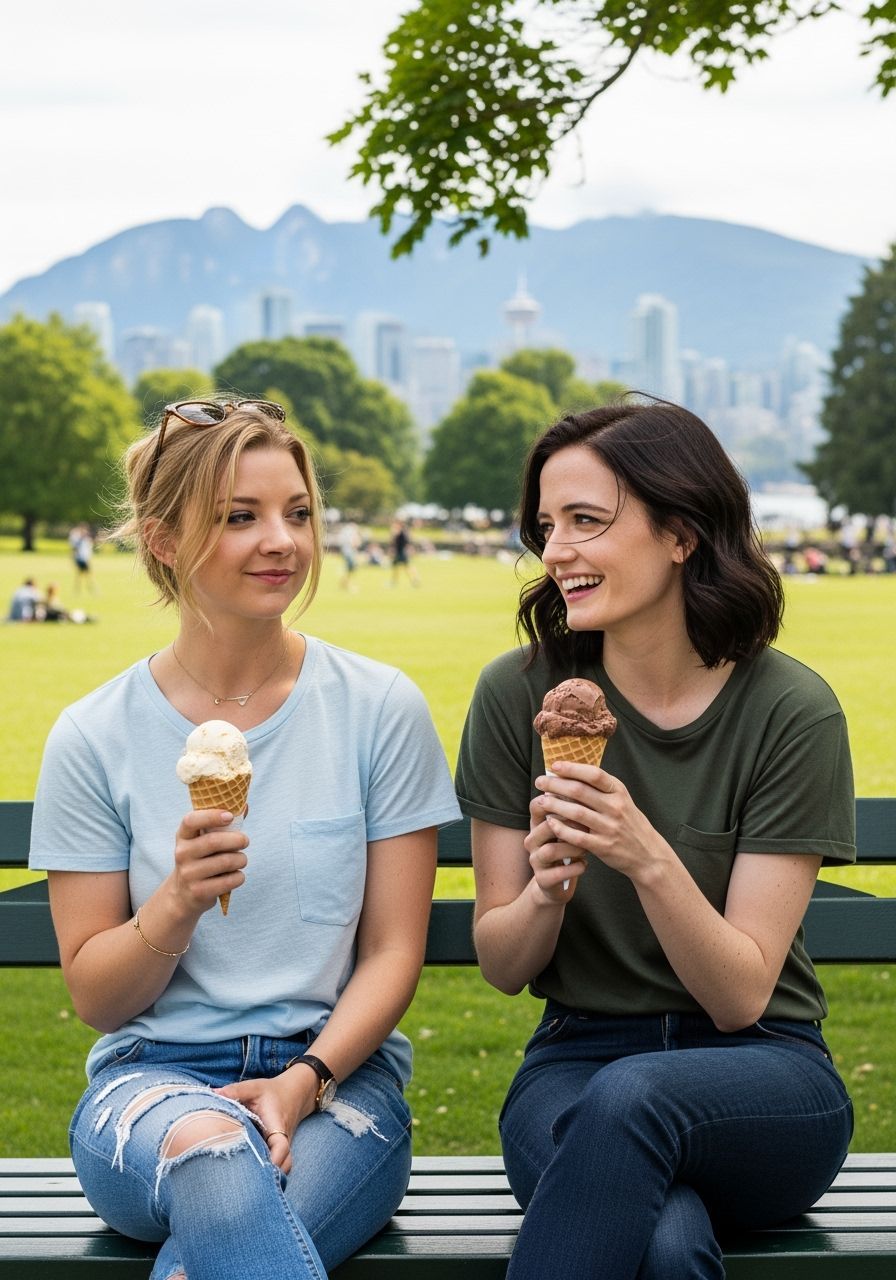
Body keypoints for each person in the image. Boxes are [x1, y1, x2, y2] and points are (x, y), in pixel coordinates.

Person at [30, 399, 461, 1280]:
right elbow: (97, 997)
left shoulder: (378, 709)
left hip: (339, 1084)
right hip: (151, 1086)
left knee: (207, 1256)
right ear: (161, 539)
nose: (283, 541)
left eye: (297, 512)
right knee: (214, 1155)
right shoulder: (93, 734)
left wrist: (304, 1078)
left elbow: (391, 952)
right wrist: (179, 901)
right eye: (240, 517)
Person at [456, 400, 855, 1280]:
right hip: (574, 1059)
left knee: (634, 1099)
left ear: (681, 533)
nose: (556, 550)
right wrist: (545, 891)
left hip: (765, 1075)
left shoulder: (790, 710)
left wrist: (643, 854)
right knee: (666, 1246)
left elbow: (741, 995)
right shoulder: (517, 695)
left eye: (588, 522)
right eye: (547, 526)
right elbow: (503, 962)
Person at [389, 518, 420, 587]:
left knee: (406, 567)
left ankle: (414, 579)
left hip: (401, 552)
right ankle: (394, 581)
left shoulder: (401, 533)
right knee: (397, 567)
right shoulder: (403, 532)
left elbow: (394, 541)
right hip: (399, 552)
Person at [336, 520, 362, 590]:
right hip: (349, 551)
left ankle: (345, 583)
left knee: (349, 568)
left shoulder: (346, 530)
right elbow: (355, 542)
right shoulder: (352, 530)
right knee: (350, 568)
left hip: (347, 550)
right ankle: (347, 584)